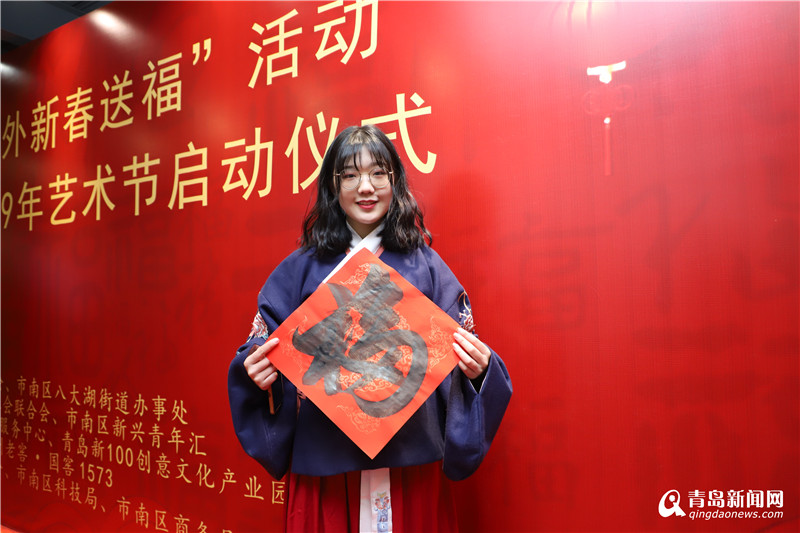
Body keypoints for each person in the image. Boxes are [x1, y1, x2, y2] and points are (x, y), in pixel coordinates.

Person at [228, 124, 512, 532]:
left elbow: (458, 350)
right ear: (333, 185)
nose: (366, 187)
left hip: (409, 466)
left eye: (378, 173)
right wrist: (256, 373)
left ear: (395, 181)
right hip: (324, 467)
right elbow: (263, 346)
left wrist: (479, 370)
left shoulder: (427, 267)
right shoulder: (300, 270)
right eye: (350, 175)